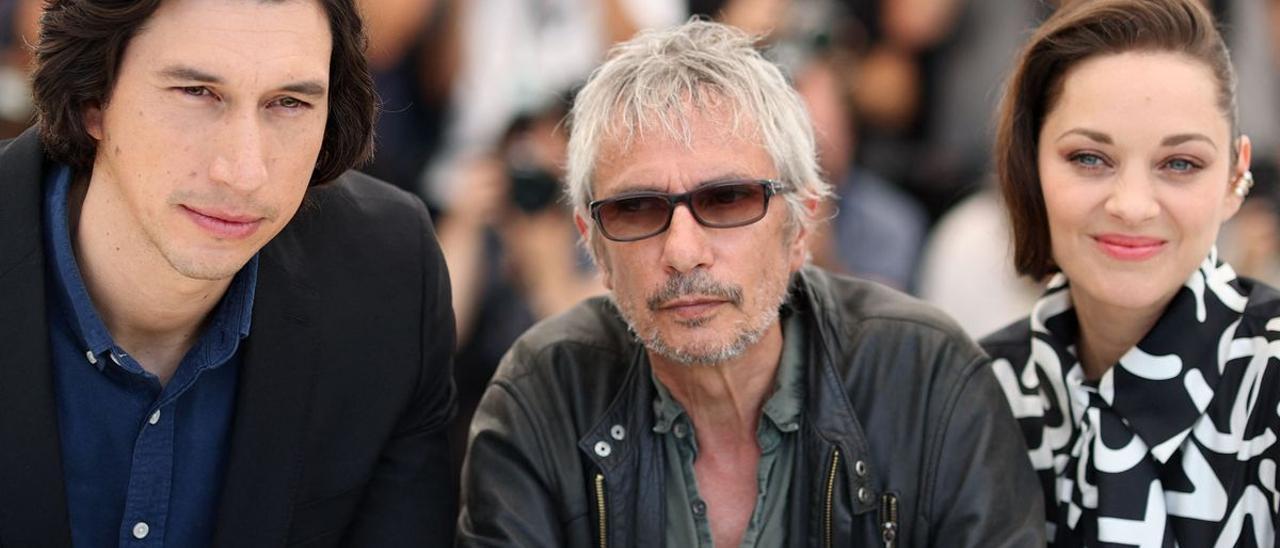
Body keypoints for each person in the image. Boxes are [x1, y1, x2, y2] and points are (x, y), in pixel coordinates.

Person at [458, 20, 1042, 547]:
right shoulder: (542, 391)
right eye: (636, 208)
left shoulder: (925, 374)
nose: (683, 252)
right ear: (593, 242)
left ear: (800, 225)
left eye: (728, 199)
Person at [0, 0, 456, 545]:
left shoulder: (389, 271)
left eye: (288, 103)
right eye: (197, 93)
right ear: (91, 97)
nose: (244, 172)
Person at [981, 0, 1280, 545]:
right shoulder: (975, 392)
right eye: (1090, 158)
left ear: (1237, 174)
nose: (1133, 205)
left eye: (1180, 164)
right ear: (1031, 162)